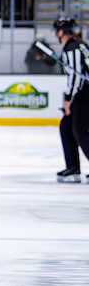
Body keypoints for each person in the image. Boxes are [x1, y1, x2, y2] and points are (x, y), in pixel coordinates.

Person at [54, 18, 89, 182]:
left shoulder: (72, 49)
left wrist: (68, 100)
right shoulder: (80, 46)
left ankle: (74, 167)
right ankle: (73, 167)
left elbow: (75, 77)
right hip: (83, 93)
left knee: (80, 131)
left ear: (61, 32)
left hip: (83, 94)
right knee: (66, 127)